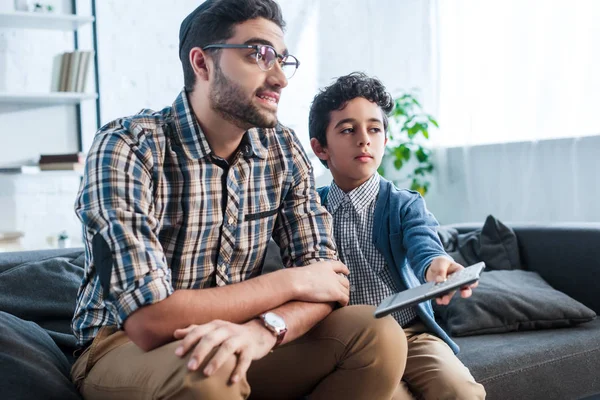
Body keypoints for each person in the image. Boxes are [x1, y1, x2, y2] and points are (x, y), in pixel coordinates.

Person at [70, 2, 407, 399]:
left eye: (282, 60)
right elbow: (148, 321)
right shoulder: (128, 147)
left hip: (241, 335)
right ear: (202, 63)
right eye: (258, 55)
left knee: (378, 333)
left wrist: (265, 329)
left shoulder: (282, 148)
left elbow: (330, 284)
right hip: (121, 344)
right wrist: (291, 280)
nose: (279, 78)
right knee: (212, 374)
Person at [309, 72, 487, 399]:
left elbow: (425, 244)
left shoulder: (404, 205)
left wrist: (436, 264)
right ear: (320, 148)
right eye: (348, 130)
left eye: (374, 129)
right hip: (351, 343)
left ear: (385, 141)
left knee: (460, 392)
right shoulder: (309, 208)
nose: (364, 139)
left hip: (411, 333)